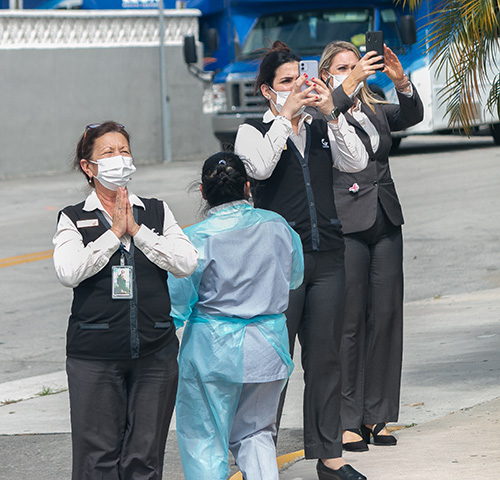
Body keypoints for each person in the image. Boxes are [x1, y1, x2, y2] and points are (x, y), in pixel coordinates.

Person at [234, 41, 369, 480]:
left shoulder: (322, 124)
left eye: (299, 77)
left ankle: (330, 456)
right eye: (285, 81)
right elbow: (257, 169)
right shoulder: (253, 130)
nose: (297, 86)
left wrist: (334, 113)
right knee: (272, 363)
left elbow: (357, 161)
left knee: (326, 358)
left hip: (328, 254)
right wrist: (284, 119)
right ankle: (257, 459)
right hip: (278, 264)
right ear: (267, 90)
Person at [53, 121, 198, 480]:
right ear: (89, 167)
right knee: (96, 460)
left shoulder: (156, 211)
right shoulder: (74, 218)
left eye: (124, 151)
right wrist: (113, 234)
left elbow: (186, 262)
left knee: (145, 459)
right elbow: (69, 271)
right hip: (95, 356)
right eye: (108, 153)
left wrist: (137, 232)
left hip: (155, 352)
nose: (119, 158)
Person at [167, 151, 304, 480]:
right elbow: (295, 276)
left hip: (212, 352)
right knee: (256, 435)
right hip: (268, 349)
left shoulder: (197, 238)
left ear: (202, 191)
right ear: (247, 186)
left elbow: (177, 303)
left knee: (205, 439)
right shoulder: (277, 225)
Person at [318, 40, 424, 451]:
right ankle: (347, 419)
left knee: (385, 317)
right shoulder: (319, 106)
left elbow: (411, 115)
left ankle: (376, 416)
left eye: (356, 65)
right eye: (343, 66)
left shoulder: (374, 105)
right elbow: (331, 113)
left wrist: (401, 81)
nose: (352, 71)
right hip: (347, 223)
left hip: (385, 217)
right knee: (349, 323)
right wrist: (348, 85)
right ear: (327, 72)